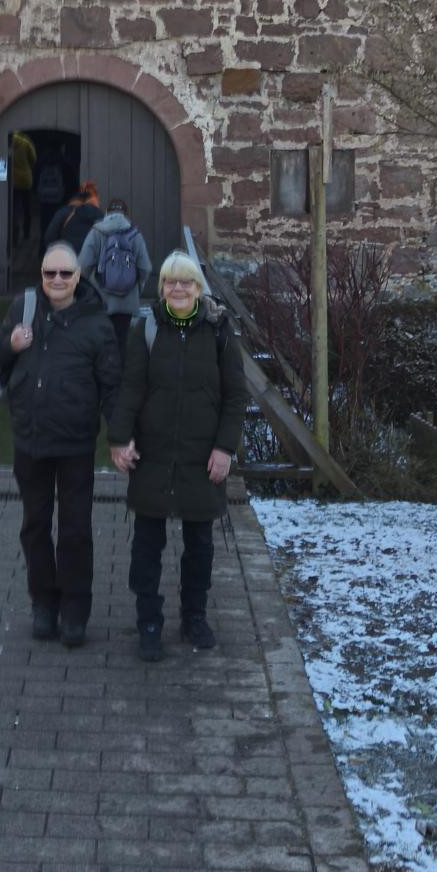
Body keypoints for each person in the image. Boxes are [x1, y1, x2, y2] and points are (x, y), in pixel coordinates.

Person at [109, 250, 248, 662]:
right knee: (147, 543)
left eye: (186, 281)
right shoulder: (147, 328)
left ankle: (194, 616)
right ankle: (149, 620)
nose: (178, 288)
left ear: (198, 287)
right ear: (162, 287)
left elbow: (235, 396)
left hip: (201, 455)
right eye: (170, 281)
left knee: (199, 543)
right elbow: (131, 387)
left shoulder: (220, 331)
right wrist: (120, 438)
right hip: (153, 453)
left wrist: (225, 448)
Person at [0, 242, 120, 648]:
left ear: (79, 277)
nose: (58, 281)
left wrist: (120, 437)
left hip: (75, 444)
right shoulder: (23, 308)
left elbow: (112, 386)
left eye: (66, 274)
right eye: (50, 274)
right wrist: (10, 345)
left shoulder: (97, 324)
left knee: (76, 530)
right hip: (30, 440)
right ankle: (43, 602)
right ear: (42, 276)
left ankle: (75, 610)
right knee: (34, 526)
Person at [77, 197, 152, 358]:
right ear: (127, 215)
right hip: (126, 303)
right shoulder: (134, 234)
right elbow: (145, 267)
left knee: (99, 342)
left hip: (99, 300)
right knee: (120, 343)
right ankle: (119, 377)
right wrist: (136, 290)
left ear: (106, 212)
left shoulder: (96, 232)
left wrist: (87, 290)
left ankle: (102, 377)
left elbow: (82, 266)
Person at [44, 178, 102, 254]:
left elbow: (49, 237)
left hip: (67, 258)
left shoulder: (63, 212)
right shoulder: (99, 215)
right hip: (91, 259)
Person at [9, 130, 37, 241]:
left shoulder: (9, 141)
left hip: (13, 180)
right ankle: (26, 233)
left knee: (14, 209)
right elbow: (34, 159)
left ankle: (14, 235)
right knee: (27, 208)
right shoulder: (26, 143)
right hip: (26, 180)